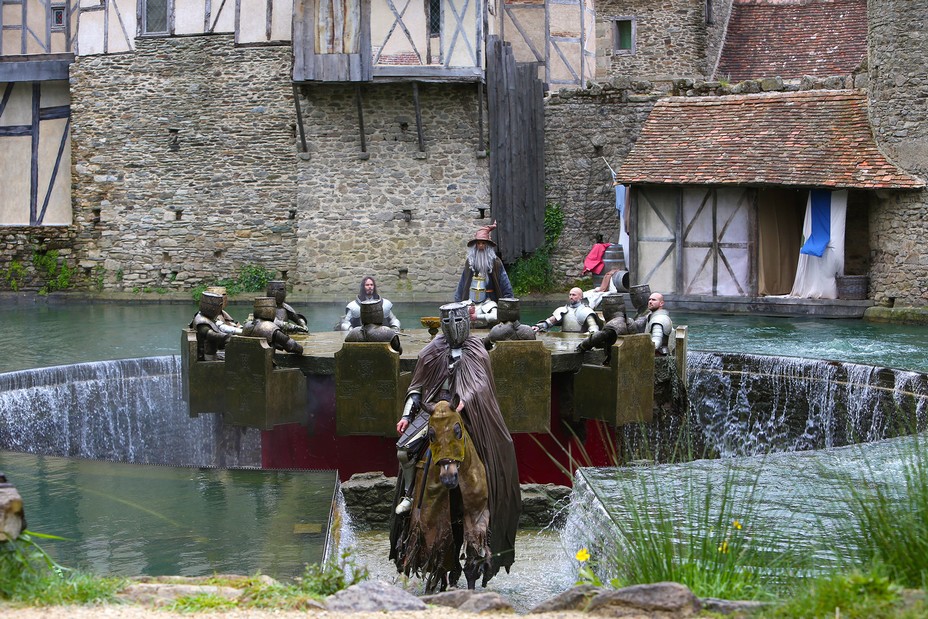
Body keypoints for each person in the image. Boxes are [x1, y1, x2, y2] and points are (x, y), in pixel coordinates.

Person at [391, 302, 520, 580]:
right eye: (447, 322)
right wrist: (406, 414)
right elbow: (416, 388)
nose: (453, 327)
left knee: (501, 446)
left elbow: (481, 385)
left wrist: (465, 401)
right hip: (435, 413)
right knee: (404, 450)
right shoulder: (432, 350)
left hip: (470, 412)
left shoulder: (476, 350)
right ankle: (408, 495)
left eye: (457, 320)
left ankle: (496, 496)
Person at [454, 221, 514, 308]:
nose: (481, 246)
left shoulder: (495, 262)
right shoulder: (470, 262)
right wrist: (458, 302)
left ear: (487, 245)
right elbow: (463, 282)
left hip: (491, 300)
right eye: (478, 243)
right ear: (475, 245)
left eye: (483, 243)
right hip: (471, 301)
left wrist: (509, 301)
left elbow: (504, 283)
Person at [575, 294, 635, 365]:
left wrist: (582, 346)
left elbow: (598, 336)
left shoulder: (612, 325)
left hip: (616, 363)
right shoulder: (630, 321)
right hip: (630, 359)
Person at [533, 287, 603, 334]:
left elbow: (593, 328)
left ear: (581, 297)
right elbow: (549, 322)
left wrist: (589, 336)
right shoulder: (563, 310)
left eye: (574, 295)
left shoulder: (586, 311)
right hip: (563, 343)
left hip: (580, 341)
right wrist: (538, 327)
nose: (571, 297)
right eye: (570, 295)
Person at [189, 292, 232, 361]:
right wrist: (227, 337)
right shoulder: (201, 321)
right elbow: (210, 334)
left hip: (211, 353)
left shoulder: (204, 317)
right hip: (206, 356)